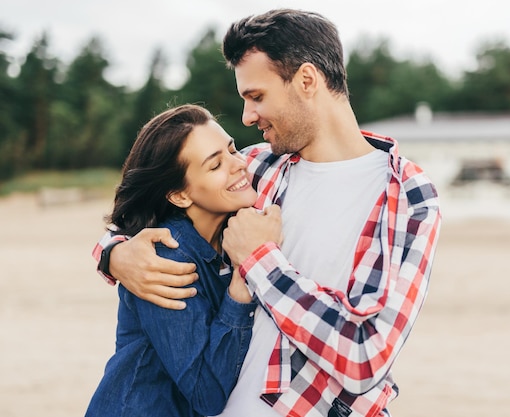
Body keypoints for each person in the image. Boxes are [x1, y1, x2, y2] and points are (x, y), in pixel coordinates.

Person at [93, 9, 442, 417]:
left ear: (307, 81)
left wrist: (259, 259)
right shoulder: (258, 167)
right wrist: (114, 253)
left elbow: (365, 357)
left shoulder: (408, 196)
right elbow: (155, 203)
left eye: (256, 97)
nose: (246, 117)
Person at [86, 104, 259, 417]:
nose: (239, 165)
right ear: (180, 195)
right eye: (215, 164)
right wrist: (244, 275)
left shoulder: (226, 236)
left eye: (233, 149)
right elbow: (206, 394)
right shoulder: (166, 257)